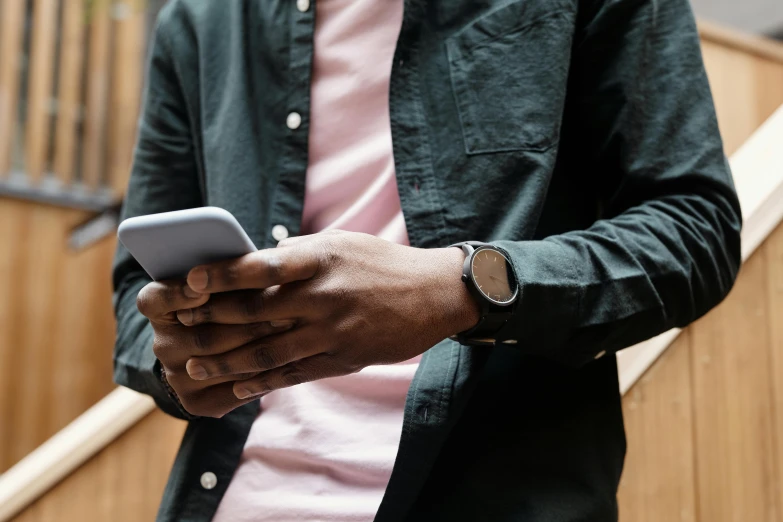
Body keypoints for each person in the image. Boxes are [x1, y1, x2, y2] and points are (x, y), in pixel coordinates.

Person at [112, 0, 742, 520]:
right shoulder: (196, 20)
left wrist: (464, 288)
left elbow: (696, 229)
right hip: (234, 499)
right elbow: (137, 290)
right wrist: (184, 361)